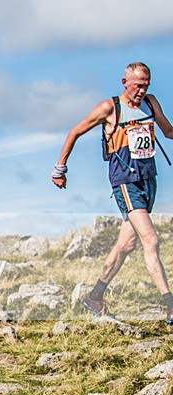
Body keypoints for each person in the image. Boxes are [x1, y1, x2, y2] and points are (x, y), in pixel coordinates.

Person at [52, 62, 173, 324]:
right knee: (150, 240)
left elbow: (168, 131)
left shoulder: (150, 104)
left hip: (148, 180)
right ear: (125, 82)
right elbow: (75, 131)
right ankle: (170, 304)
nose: (142, 90)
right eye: (138, 85)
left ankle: (95, 296)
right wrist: (59, 169)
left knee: (126, 244)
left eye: (146, 85)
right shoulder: (109, 108)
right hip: (125, 182)